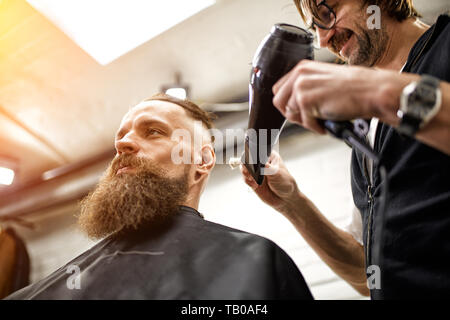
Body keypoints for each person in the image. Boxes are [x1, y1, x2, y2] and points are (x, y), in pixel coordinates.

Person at [5, 93, 313, 300]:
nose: (123, 144)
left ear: (202, 161)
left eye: (152, 131)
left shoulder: (259, 264)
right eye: (121, 137)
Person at [241, 0, 450, 299]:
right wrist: (292, 204)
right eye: (315, 27)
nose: (324, 39)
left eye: (328, 13)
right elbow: (366, 276)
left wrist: (378, 91)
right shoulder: (367, 131)